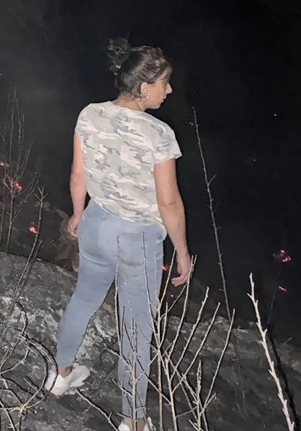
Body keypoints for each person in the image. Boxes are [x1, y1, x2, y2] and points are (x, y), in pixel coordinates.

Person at [45, 39, 192, 431]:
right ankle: (133, 420)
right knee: (136, 329)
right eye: (165, 82)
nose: (169, 89)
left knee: (84, 299)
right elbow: (169, 203)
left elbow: (78, 175)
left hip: (96, 224)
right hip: (136, 239)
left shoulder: (90, 114)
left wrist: (78, 215)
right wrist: (181, 251)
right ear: (144, 88)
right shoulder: (158, 135)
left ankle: (60, 375)